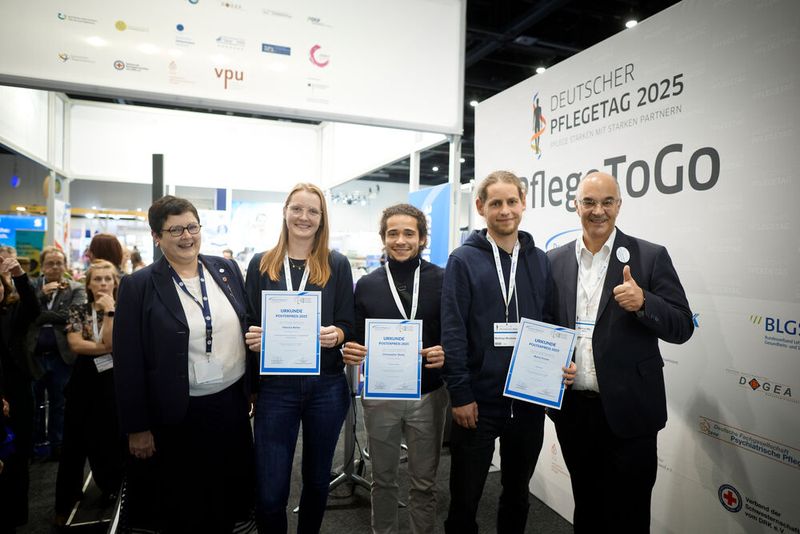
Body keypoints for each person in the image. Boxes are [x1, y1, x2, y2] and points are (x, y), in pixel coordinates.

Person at [546, 171, 694, 532]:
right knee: (587, 507)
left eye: (607, 202)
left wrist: (644, 302)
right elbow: (547, 325)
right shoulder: (554, 260)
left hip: (631, 411)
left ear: (619, 205)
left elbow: (682, 326)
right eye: (589, 202)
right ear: (576, 205)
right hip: (574, 412)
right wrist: (553, 363)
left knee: (630, 514)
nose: (598, 211)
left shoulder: (650, 256)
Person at [440, 170, 576, 534]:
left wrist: (560, 364)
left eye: (512, 201)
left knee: (517, 496)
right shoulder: (462, 260)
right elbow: (453, 331)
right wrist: (460, 395)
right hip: (478, 403)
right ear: (481, 207)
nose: (505, 210)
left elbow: (549, 321)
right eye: (496, 203)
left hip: (527, 401)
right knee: (464, 500)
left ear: (523, 203)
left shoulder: (539, 260)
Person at [114, 196, 254, 533]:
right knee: (185, 502)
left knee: (225, 492)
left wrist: (253, 387)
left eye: (192, 227)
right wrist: (137, 427)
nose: (187, 236)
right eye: (175, 230)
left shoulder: (226, 269)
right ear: (156, 236)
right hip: (177, 412)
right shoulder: (138, 286)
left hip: (230, 404)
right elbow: (128, 360)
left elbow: (245, 322)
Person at [244, 183, 354, 534]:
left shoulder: (336, 264)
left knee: (317, 480)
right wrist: (252, 338)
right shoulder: (261, 264)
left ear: (322, 218)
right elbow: (248, 319)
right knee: (270, 489)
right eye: (297, 208)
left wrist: (337, 334)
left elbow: (347, 321)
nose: (304, 217)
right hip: (275, 388)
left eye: (312, 211)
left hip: (326, 385)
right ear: (285, 212)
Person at [342, 204, 448, 534]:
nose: (400, 240)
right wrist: (351, 348)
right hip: (381, 395)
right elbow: (355, 335)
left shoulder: (442, 279)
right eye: (393, 233)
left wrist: (445, 351)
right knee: (383, 479)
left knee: (424, 482)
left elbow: (454, 331)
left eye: (408, 233)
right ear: (383, 238)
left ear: (422, 238)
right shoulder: (367, 284)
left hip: (428, 393)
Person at [54, 259, 125, 523]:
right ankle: (65, 501)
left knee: (110, 437)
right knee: (73, 442)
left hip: (113, 381)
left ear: (115, 282)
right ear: (89, 283)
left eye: (108, 279)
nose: (103, 283)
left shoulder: (124, 309)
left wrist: (110, 312)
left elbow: (110, 342)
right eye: (98, 279)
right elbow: (76, 345)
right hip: (83, 382)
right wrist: (105, 346)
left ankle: (113, 489)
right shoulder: (78, 310)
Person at [28, 246, 86, 460]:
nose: (55, 267)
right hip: (34, 356)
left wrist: (41, 316)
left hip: (62, 356)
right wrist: (40, 296)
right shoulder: (32, 286)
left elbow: (73, 315)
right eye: (50, 263)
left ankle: (58, 445)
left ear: (65, 266)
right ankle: (35, 445)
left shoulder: (76, 288)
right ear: (42, 266)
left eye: (59, 263)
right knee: (34, 404)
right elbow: (25, 313)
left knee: (60, 403)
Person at [0, 255, 39, 530]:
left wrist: (19, 275)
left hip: (18, 393)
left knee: (19, 454)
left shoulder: (12, 313)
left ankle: (15, 516)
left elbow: (33, 308)